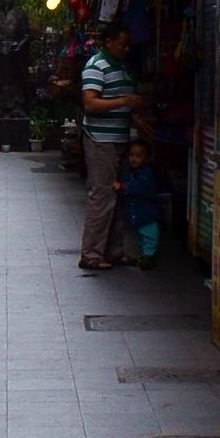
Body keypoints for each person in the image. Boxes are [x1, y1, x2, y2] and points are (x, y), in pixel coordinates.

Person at [78, 21, 138, 271]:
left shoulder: (121, 67)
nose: (126, 48)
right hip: (101, 141)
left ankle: (113, 250)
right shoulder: (96, 67)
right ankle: (91, 254)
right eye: (121, 44)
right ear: (109, 42)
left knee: (118, 195)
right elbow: (90, 104)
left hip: (119, 139)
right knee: (102, 196)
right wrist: (124, 100)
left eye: (127, 44)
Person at [118, 137, 164, 269]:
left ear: (147, 158)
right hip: (138, 212)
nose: (133, 159)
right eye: (131, 155)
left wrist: (123, 186)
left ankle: (149, 256)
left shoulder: (146, 173)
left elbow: (140, 186)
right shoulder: (132, 172)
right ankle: (146, 255)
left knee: (149, 234)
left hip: (146, 212)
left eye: (138, 156)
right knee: (141, 235)